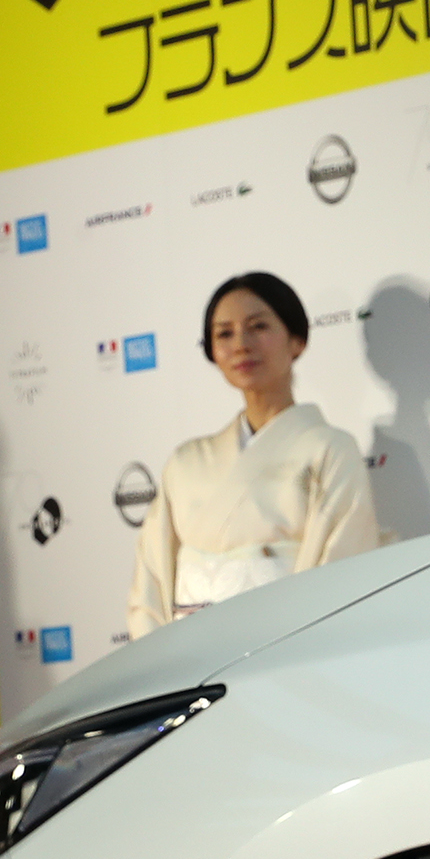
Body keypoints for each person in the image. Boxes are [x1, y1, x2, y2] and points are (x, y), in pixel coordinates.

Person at [125, 270, 377, 637]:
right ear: (212, 351)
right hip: (187, 666)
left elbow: (340, 574)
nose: (241, 344)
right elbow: (151, 584)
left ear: (297, 340)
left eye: (258, 327)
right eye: (224, 333)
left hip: (282, 655)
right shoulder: (185, 463)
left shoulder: (329, 450)